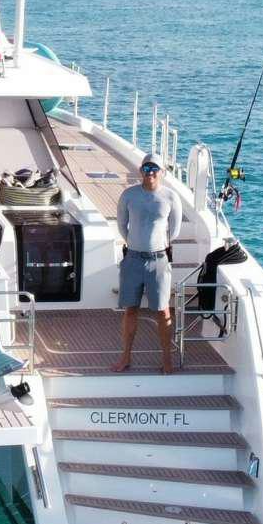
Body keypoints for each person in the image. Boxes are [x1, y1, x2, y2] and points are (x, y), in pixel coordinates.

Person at [112, 158, 183, 373]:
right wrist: (136, 244)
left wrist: (156, 246)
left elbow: (175, 230)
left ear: (161, 171)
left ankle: (167, 360)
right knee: (130, 309)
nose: (149, 172)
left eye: (154, 168)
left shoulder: (171, 197)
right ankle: (125, 357)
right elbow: (122, 226)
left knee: (163, 311)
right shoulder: (129, 195)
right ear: (140, 170)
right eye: (146, 168)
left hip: (159, 260)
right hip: (132, 259)